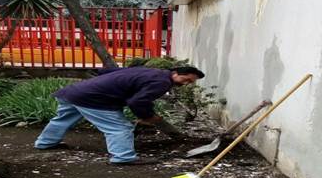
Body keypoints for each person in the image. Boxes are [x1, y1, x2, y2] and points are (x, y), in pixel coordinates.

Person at [34, 66, 205, 165]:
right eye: (186, 79)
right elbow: (137, 102)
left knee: (62, 120)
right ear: (175, 73)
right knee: (120, 128)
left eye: (190, 82)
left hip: (74, 92)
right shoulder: (162, 82)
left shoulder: (152, 71)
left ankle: (45, 143)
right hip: (93, 99)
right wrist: (148, 117)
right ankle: (123, 157)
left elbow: (109, 71)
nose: (187, 83)